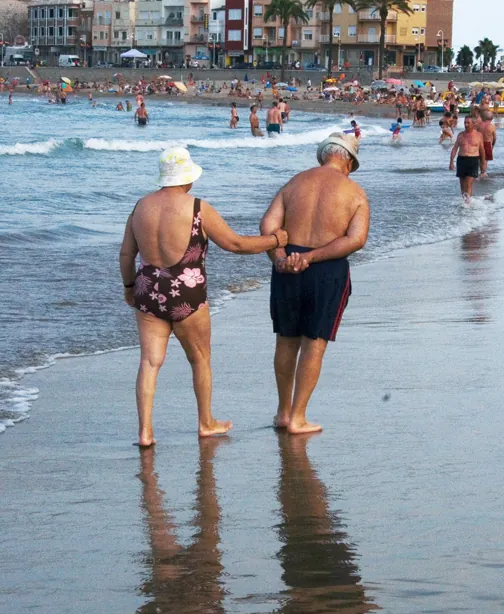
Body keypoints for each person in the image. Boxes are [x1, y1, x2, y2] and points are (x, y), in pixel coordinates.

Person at [119, 147, 288, 444]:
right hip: (188, 294)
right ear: (188, 178)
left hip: (149, 292)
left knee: (149, 362)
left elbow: (126, 254)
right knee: (199, 359)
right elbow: (235, 244)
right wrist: (275, 240)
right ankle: (205, 423)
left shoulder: (140, 206)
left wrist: (130, 287)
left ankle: (145, 432)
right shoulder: (198, 208)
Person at [260, 134, 369, 434]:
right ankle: (298, 417)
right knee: (314, 344)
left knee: (286, 339)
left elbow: (268, 225)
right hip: (327, 269)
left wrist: (281, 258)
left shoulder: (294, 183)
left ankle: (283, 412)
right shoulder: (355, 192)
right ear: (347, 160)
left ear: (323, 156)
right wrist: (314, 257)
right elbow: (355, 240)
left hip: (287, 267)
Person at [449, 116, 486, 202]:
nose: (466, 125)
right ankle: (464, 201)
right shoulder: (461, 135)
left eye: (468, 123)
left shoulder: (478, 135)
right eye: (465, 122)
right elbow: (455, 148)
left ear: (473, 124)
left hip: (473, 160)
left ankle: (468, 203)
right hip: (461, 160)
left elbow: (482, 150)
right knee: (462, 184)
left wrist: (483, 163)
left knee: (469, 183)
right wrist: (451, 161)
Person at [478, 110, 497, 175]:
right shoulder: (492, 126)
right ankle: (482, 173)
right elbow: (494, 138)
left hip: (479, 144)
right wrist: (493, 145)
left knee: (480, 159)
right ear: (492, 118)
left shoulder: (479, 125)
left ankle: (480, 172)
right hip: (487, 143)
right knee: (485, 160)